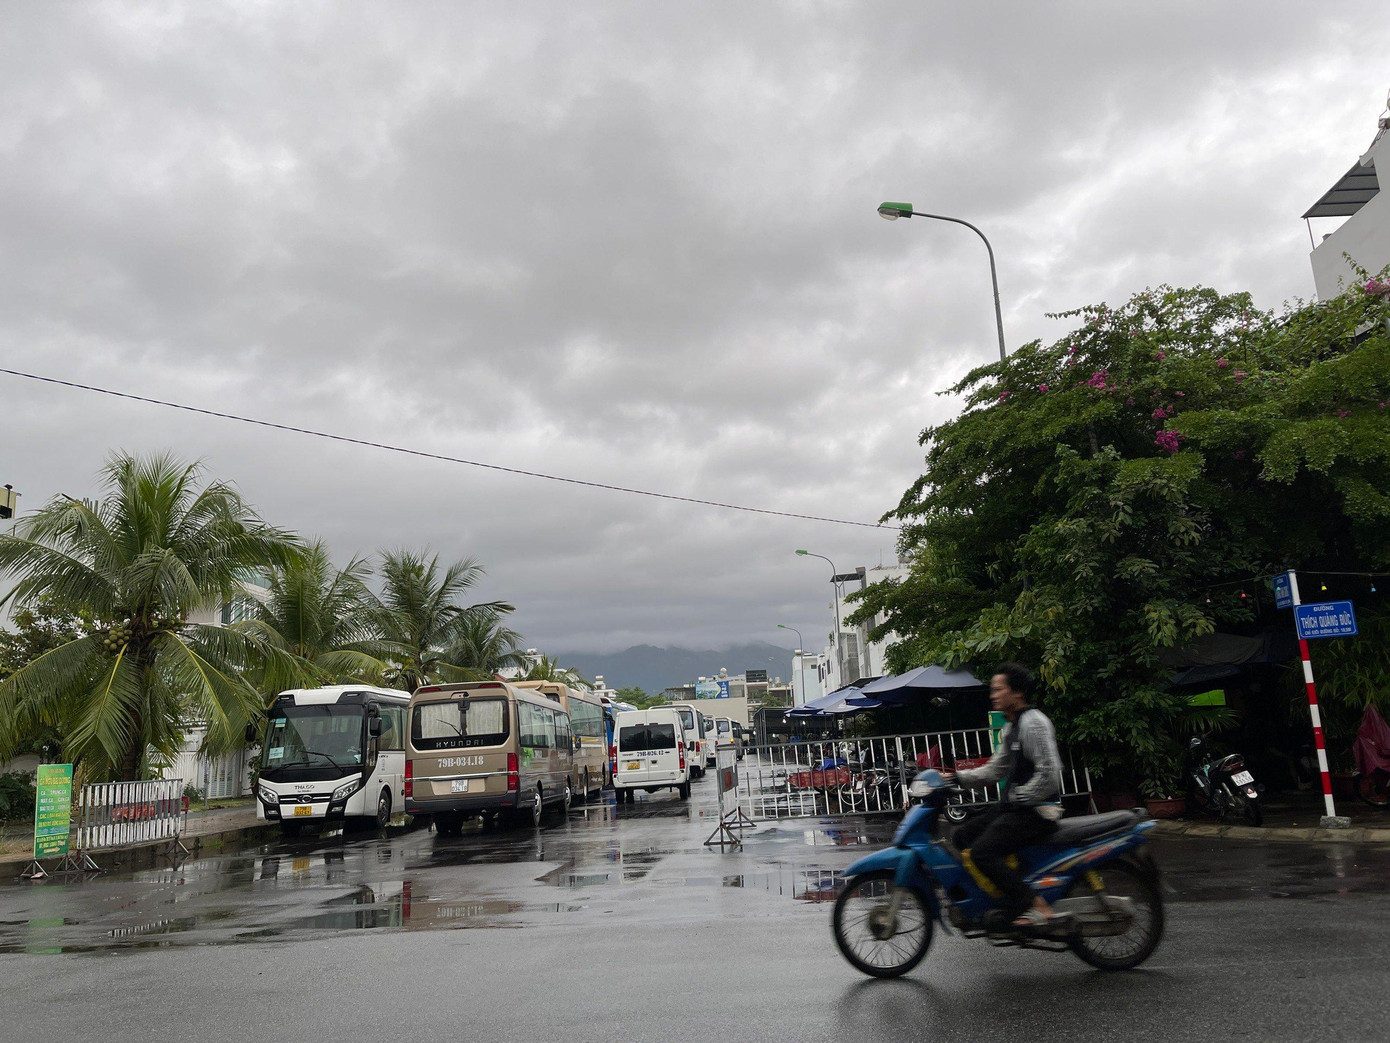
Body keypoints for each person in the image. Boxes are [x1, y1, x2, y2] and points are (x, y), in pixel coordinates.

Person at [949, 662, 1065, 928]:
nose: (993, 695)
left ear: (1018, 692)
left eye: (999, 689)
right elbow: (995, 769)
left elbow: (1049, 774)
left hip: (1038, 810)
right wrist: (957, 779)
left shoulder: (1034, 723)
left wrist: (1020, 796)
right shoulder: (1011, 727)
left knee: (981, 853)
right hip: (1017, 807)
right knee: (961, 836)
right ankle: (1000, 892)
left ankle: (1035, 905)